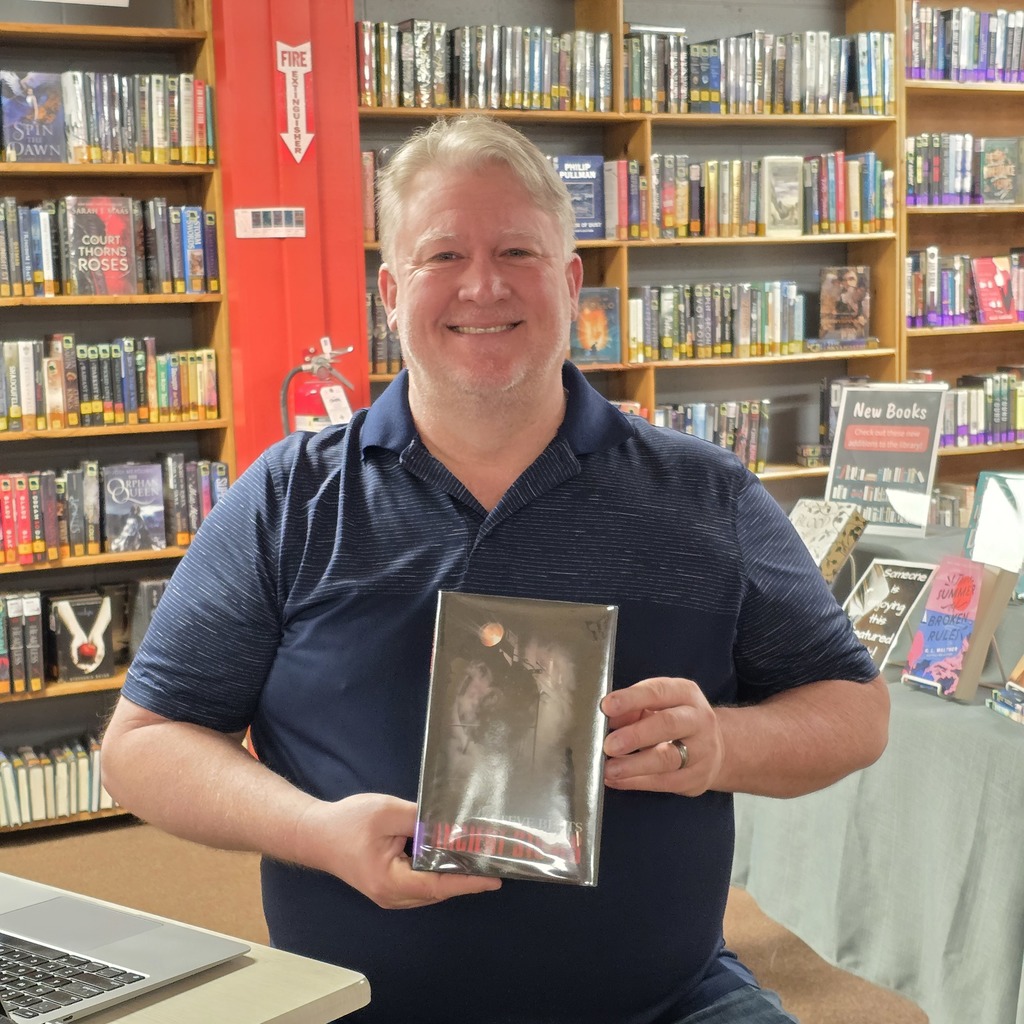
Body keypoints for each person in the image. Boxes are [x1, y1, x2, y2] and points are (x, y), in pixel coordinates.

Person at [101, 115, 889, 1024]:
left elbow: (855, 711)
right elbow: (141, 746)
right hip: (356, 1007)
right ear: (390, 293)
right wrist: (313, 832)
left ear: (570, 280)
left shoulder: (703, 493)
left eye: (517, 249)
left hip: (668, 1003)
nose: (482, 285)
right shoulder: (287, 500)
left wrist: (723, 745)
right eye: (443, 256)